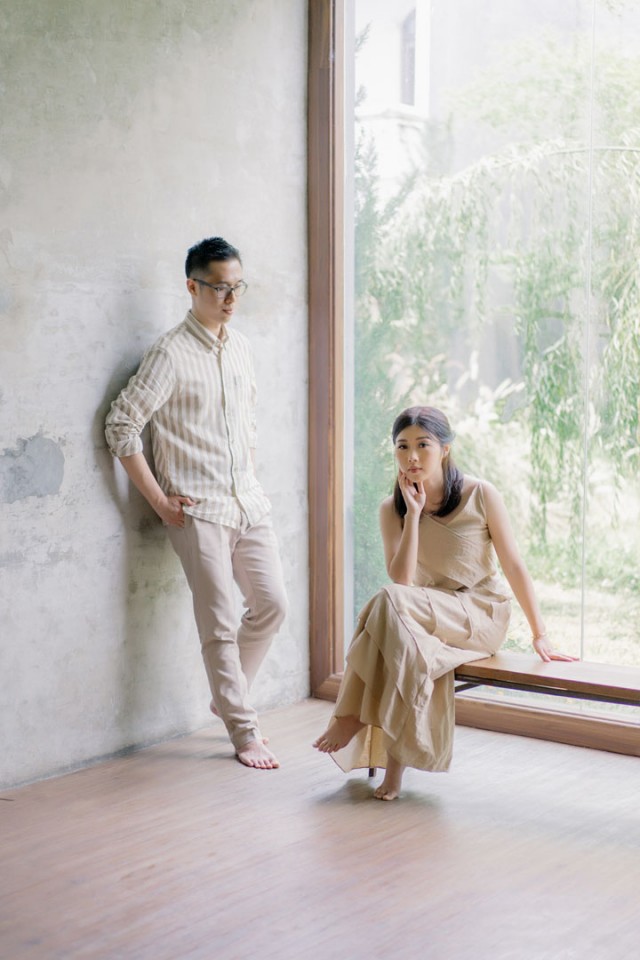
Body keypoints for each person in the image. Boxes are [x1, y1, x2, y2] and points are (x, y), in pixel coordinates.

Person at [313, 405, 576, 799]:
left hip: (481, 614)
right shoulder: (391, 509)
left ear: (445, 449)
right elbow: (403, 579)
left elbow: (513, 565)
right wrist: (413, 515)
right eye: (402, 447)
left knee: (389, 607)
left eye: (423, 445)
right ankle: (393, 772)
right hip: (424, 613)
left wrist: (540, 633)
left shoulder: (480, 494)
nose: (412, 457)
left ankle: (353, 716)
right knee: (406, 643)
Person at [105, 236, 287, 770]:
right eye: (219, 288)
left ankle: (229, 696)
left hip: (248, 503)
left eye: (238, 287)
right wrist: (160, 502)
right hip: (198, 510)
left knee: (273, 605)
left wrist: (248, 477)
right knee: (219, 623)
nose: (231, 298)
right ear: (192, 287)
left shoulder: (241, 347)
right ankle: (243, 730)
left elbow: (246, 425)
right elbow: (121, 426)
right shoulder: (170, 354)